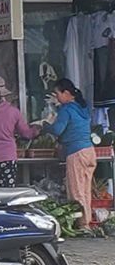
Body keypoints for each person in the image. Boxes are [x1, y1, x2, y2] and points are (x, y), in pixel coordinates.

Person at [40, 78, 96, 230]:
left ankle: (82, 224)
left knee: (76, 190)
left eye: (57, 94)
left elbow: (57, 130)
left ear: (66, 93)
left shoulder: (66, 109)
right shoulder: (81, 107)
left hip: (76, 152)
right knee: (85, 189)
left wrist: (44, 125)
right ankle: (87, 221)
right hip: (89, 151)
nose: (57, 97)